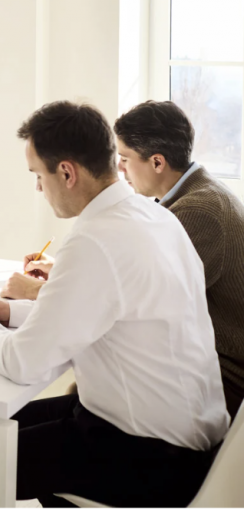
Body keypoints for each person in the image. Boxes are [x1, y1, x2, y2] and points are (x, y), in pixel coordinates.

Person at [0, 101, 229, 508]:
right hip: (190, 433)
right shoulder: (155, 217)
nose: (39, 188)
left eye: (38, 175)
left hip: (152, 454)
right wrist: (9, 311)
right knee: (12, 428)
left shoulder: (94, 240)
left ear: (67, 172)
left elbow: (24, 363)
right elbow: (99, 314)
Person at [113, 100, 244, 418]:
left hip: (225, 378)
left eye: (125, 158)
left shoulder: (200, 211)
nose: (119, 168)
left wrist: (39, 292)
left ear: (157, 162)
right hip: (202, 362)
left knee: (98, 386)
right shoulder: (196, 195)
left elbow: (142, 303)